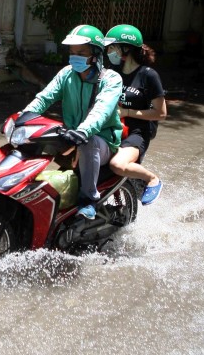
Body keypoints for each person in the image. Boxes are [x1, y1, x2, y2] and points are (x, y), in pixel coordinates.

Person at [22, 25, 123, 220]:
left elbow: (101, 110)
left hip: (101, 140)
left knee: (89, 142)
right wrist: (24, 116)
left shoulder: (111, 79)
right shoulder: (66, 74)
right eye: (72, 52)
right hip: (71, 135)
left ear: (95, 54)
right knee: (31, 139)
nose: (74, 57)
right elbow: (44, 98)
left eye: (81, 52)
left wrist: (84, 131)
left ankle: (88, 200)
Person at [104, 24, 166, 205]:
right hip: (113, 128)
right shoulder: (112, 72)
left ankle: (152, 179)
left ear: (126, 48)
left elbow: (160, 114)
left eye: (112, 47)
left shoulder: (148, 75)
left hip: (137, 132)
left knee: (118, 165)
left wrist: (127, 111)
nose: (109, 51)